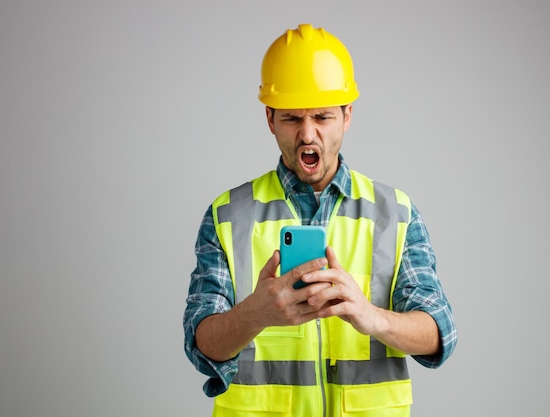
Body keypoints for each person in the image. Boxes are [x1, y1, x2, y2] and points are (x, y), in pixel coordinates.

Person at [183, 23, 457, 417]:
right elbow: (201, 343)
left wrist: (370, 316)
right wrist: (256, 312)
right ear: (270, 119)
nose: (307, 135)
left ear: (347, 116)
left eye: (322, 117)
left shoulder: (395, 212)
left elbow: (439, 331)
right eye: (292, 118)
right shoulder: (228, 215)